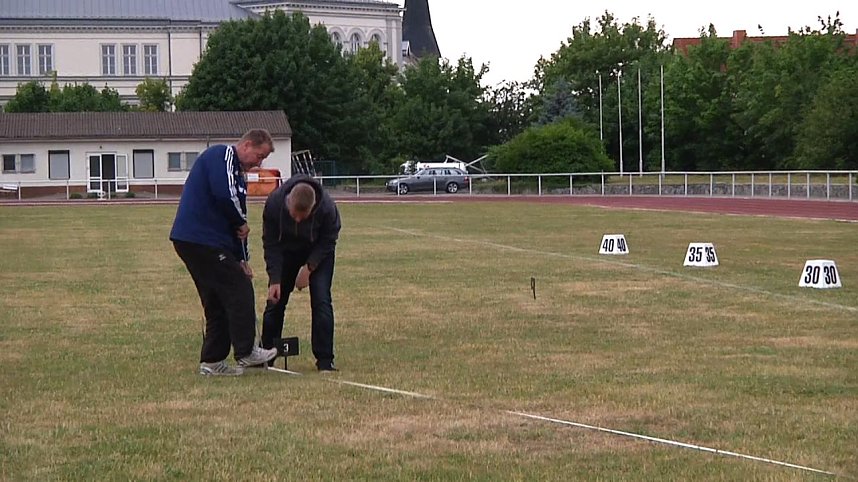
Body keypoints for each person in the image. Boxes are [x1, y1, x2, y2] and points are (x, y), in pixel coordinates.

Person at [170, 129, 279, 376]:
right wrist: (240, 222)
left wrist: (241, 259)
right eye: (258, 156)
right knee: (239, 288)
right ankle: (246, 351)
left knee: (217, 300)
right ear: (247, 145)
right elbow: (226, 199)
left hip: (204, 242)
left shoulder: (238, 178)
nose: (258, 164)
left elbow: (239, 224)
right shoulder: (222, 156)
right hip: (199, 239)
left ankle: (212, 362)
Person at [261, 174, 341, 371]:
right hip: (285, 252)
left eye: (303, 217)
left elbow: (328, 240)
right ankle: (266, 356)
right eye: (294, 214)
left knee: (321, 301)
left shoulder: (327, 208)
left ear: (313, 208)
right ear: (288, 202)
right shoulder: (273, 204)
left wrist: (309, 268)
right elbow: (270, 243)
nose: (297, 219)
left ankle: (325, 360)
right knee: (275, 301)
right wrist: (275, 278)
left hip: (318, 253)